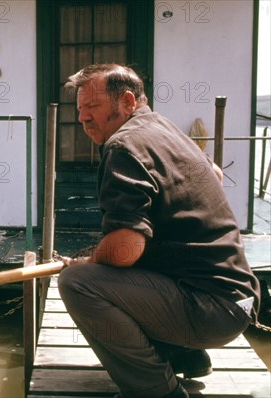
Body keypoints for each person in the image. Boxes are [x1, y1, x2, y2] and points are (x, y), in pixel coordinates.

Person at [57, 64, 261, 398]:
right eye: (79, 110)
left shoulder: (123, 146)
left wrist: (88, 262)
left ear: (126, 102)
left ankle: (157, 391)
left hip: (209, 309)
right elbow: (215, 173)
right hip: (239, 300)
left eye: (92, 108)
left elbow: (126, 248)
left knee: (78, 283)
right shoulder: (162, 127)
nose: (82, 119)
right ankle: (185, 356)